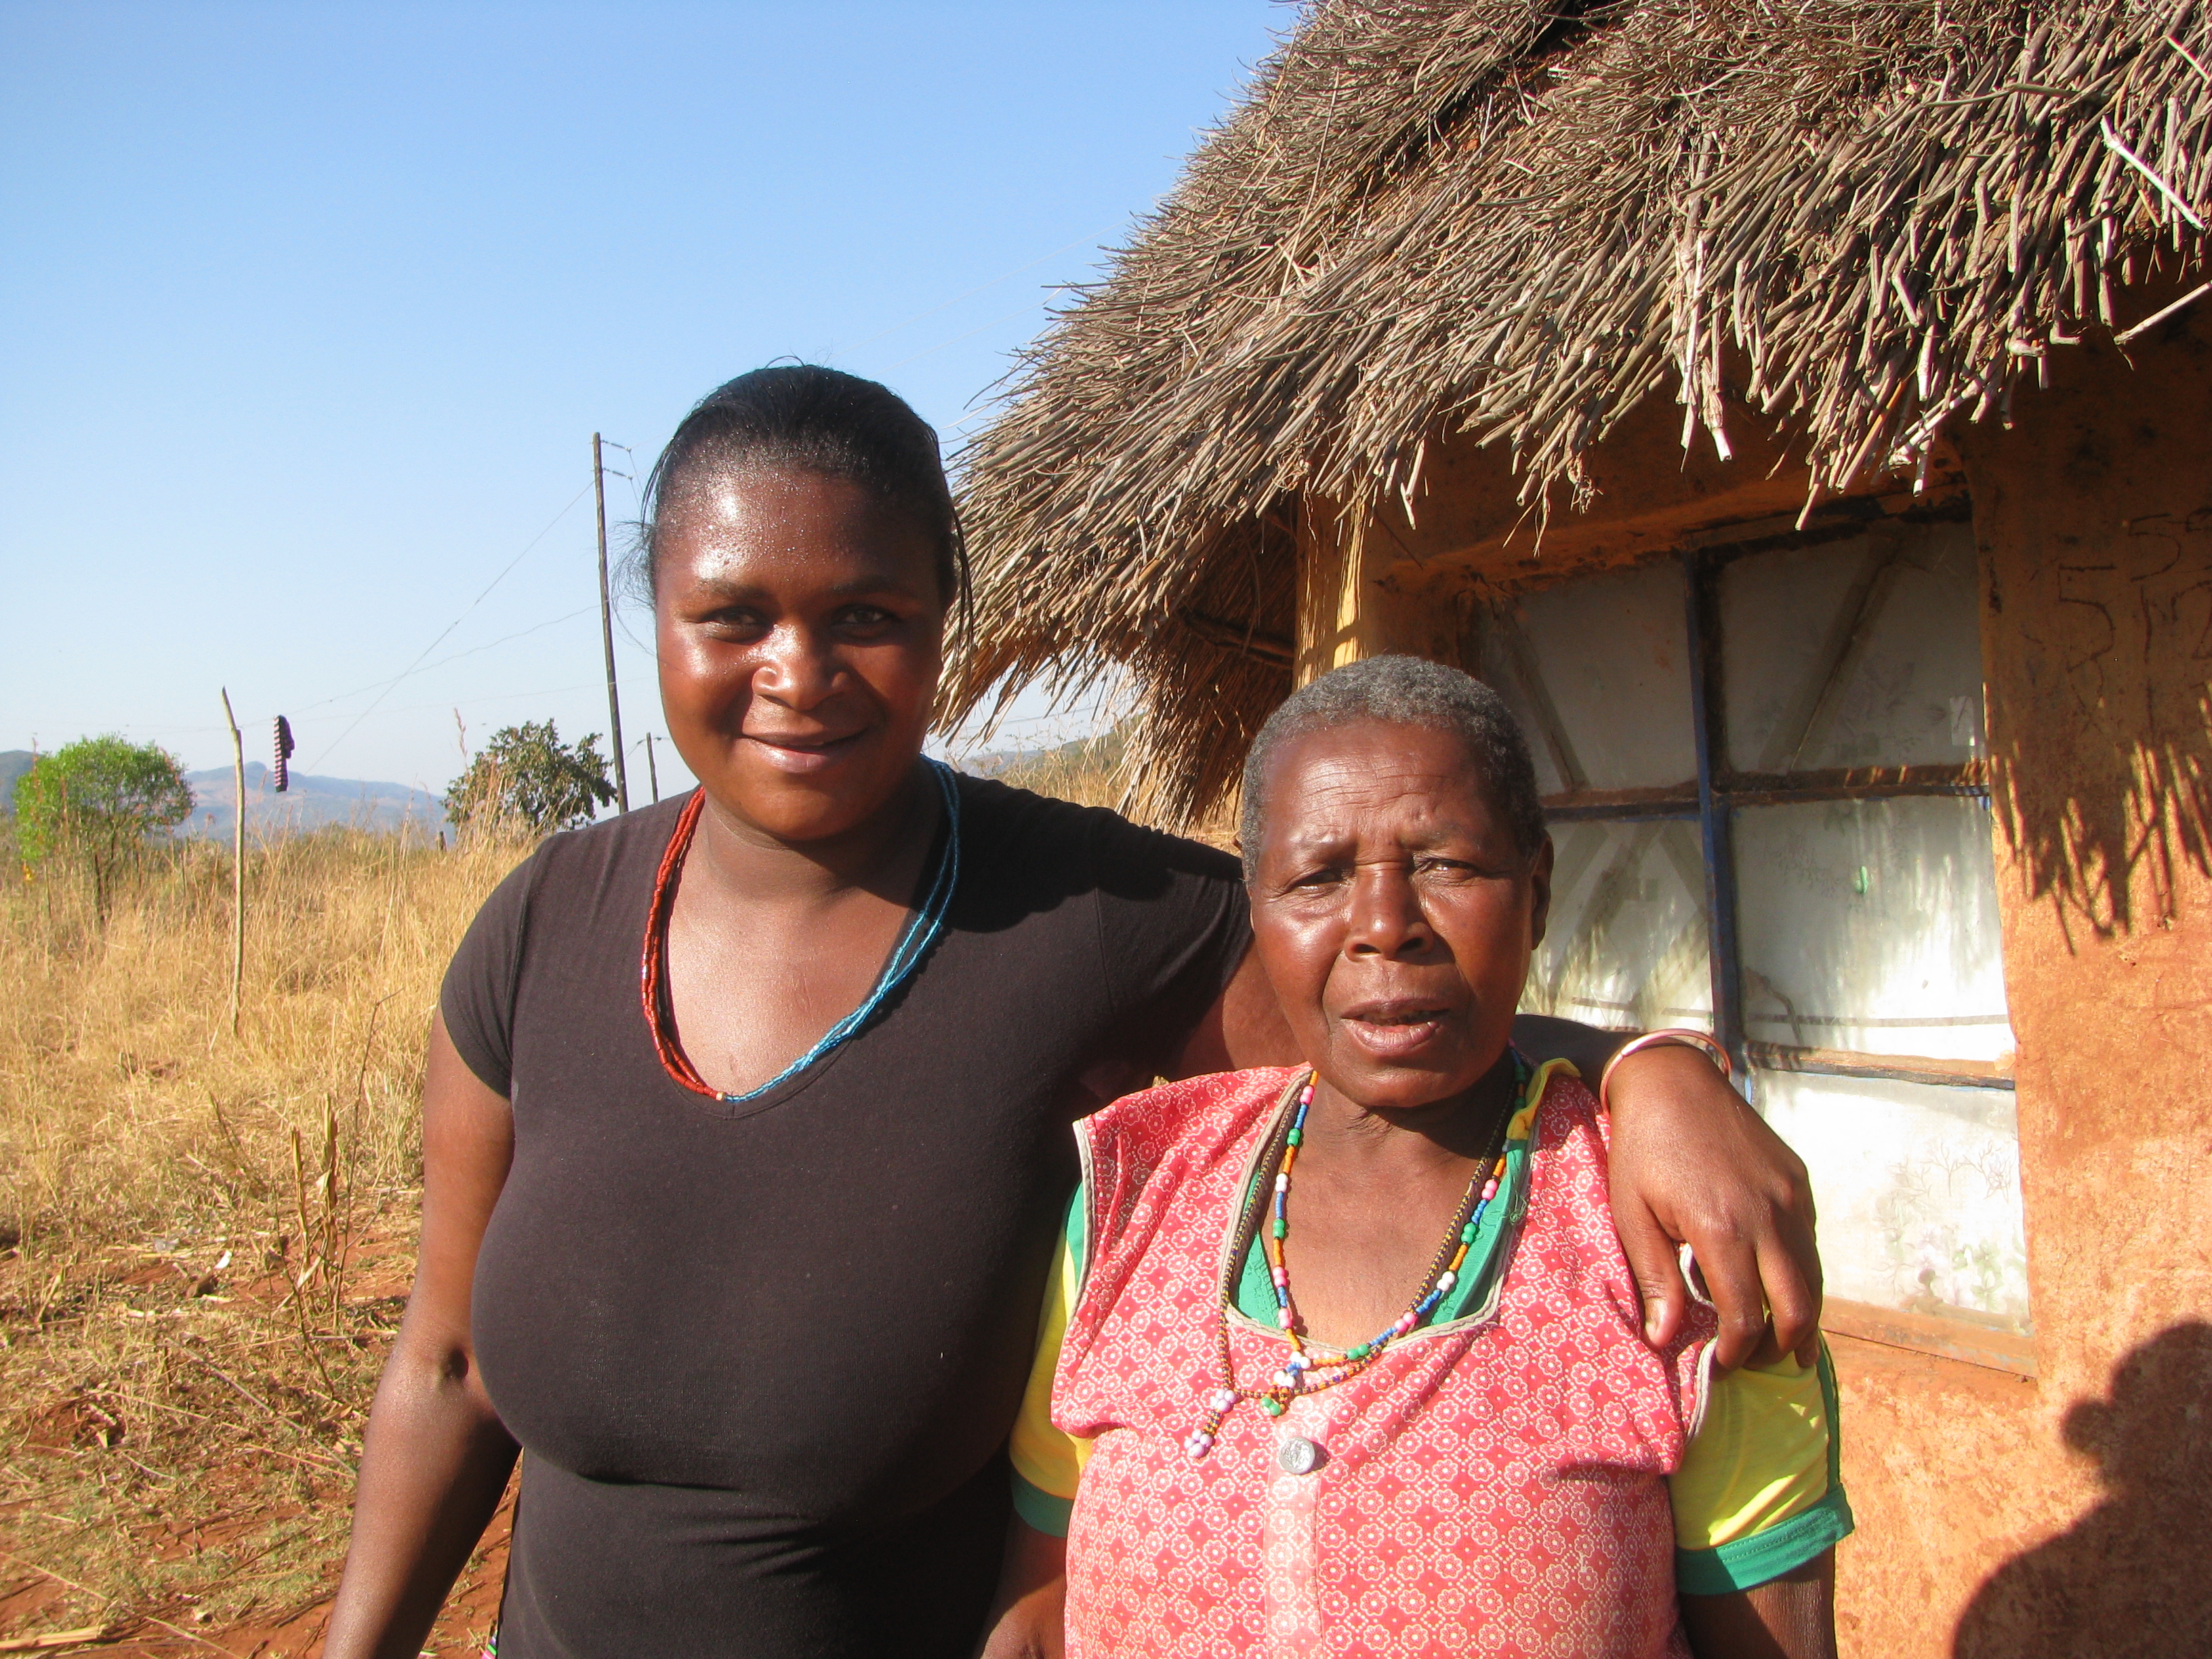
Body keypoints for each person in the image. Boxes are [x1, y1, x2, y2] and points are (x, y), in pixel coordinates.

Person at [320, 368, 1824, 1659]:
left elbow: (1386, 988)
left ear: (945, 621)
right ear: (657, 620)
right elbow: (447, 1369)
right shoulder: (546, 925)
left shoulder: (1086, 915)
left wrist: (1652, 1075)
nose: (799, 674)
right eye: (733, 616)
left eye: (866, 614)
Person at [996, 657, 1849, 1659]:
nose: (1384, 928)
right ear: (1258, 909)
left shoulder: (1678, 1240)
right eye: (1318, 877)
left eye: (1446, 865)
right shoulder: (1139, 1196)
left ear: (1537, 892)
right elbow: (1041, 1604)